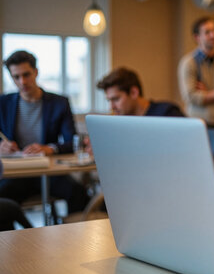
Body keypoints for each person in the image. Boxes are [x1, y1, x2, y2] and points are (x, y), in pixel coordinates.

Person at [0, 50, 88, 214]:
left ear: (36, 72)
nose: (22, 81)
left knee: (78, 192)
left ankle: (76, 237)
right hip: (17, 174)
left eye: (26, 74)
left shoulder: (59, 103)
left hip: (49, 172)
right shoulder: (3, 103)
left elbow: (72, 141)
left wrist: (50, 148)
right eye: (16, 77)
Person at [178, 16, 214, 131]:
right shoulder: (188, 63)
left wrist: (206, 93)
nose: (213, 35)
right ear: (197, 37)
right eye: (207, 32)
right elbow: (190, 96)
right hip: (195, 123)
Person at [97, 67, 185, 117]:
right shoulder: (122, 123)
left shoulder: (167, 113)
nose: (111, 107)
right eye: (109, 100)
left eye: (116, 99)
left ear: (134, 93)